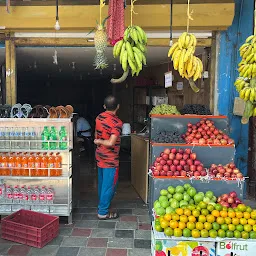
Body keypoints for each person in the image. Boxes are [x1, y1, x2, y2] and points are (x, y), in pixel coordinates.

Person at [94, 95, 123, 220]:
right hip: (110, 159)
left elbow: (96, 133)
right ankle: (103, 212)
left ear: (104, 106)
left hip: (100, 155)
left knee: (102, 183)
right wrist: (100, 141)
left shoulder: (99, 117)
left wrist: (97, 141)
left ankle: (103, 205)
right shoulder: (117, 122)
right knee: (109, 185)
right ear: (118, 107)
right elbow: (111, 142)